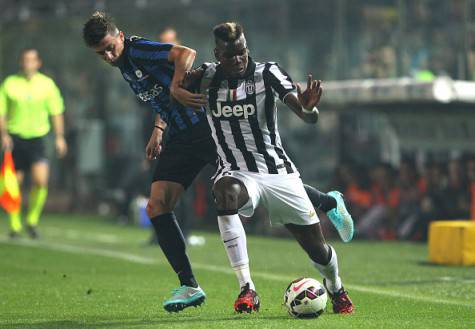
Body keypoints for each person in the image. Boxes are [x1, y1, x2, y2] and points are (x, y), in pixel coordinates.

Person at [185, 22, 354, 314]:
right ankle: (246, 288)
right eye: (230, 55)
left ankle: (336, 286)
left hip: (277, 172)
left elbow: (305, 114)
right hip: (236, 172)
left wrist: (309, 108)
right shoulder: (205, 78)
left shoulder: (267, 73)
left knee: (317, 249)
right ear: (217, 54)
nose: (238, 60)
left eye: (242, 52)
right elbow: (172, 91)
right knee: (224, 194)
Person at [83, 12, 213, 312]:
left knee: (251, 187)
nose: (107, 54)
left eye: (109, 47)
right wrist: (159, 128)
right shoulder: (124, 64)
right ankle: (189, 285)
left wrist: (178, 85)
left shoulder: (137, 49)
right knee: (156, 206)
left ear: (120, 36)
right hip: (179, 137)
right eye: (100, 52)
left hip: (205, 129)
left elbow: (186, 53)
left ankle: (325, 203)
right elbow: (160, 92)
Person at [0, 48, 67, 239]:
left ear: (38, 63)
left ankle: (32, 220)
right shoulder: (10, 84)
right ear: (21, 62)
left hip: (38, 138)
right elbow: (2, 112)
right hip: (15, 138)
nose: (28, 63)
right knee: (13, 184)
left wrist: (60, 137)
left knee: (40, 180)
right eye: (25, 60)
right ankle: (14, 224)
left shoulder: (47, 85)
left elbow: (56, 112)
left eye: (32, 60)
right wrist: (4, 134)